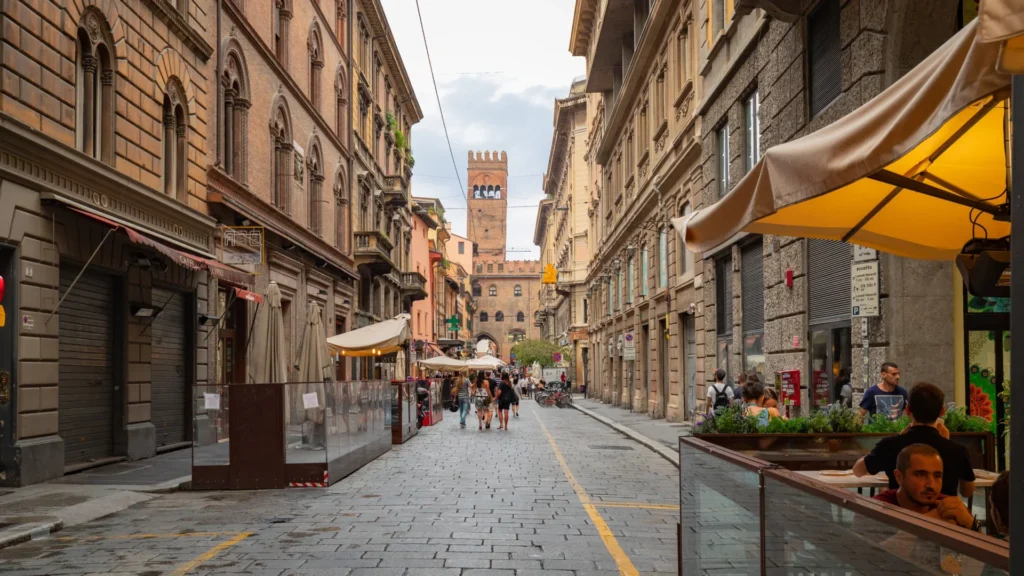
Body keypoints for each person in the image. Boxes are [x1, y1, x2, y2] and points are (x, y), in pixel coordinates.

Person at [853, 382, 975, 498]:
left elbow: (858, 471)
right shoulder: (958, 450)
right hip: (942, 517)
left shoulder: (889, 445)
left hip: (901, 516)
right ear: (942, 412)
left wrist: (897, 438)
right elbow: (967, 492)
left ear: (907, 411)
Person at [872, 444, 978, 531]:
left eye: (937, 476)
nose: (931, 485)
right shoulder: (878, 507)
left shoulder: (949, 507)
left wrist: (971, 524)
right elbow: (869, 554)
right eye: (920, 475)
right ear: (899, 477)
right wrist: (925, 523)